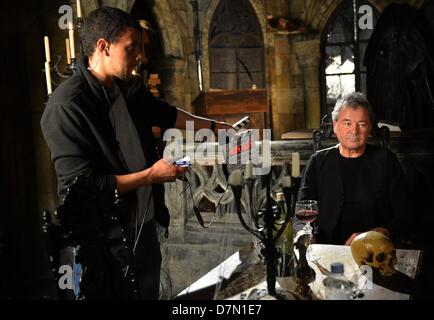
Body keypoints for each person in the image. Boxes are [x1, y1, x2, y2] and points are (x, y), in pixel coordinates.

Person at [40, 6, 232, 299]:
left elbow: (167, 115)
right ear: (104, 47)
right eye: (132, 48)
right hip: (102, 241)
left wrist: (219, 128)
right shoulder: (66, 106)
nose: (140, 56)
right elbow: (85, 188)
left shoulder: (128, 87)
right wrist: (151, 175)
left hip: (143, 225)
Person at [296, 92, 411, 246]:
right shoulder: (318, 161)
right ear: (335, 125)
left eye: (362, 124)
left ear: (369, 127)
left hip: (374, 250)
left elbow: (406, 215)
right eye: (347, 123)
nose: (354, 131)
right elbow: (301, 212)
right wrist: (304, 234)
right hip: (327, 249)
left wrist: (376, 234)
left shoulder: (386, 161)